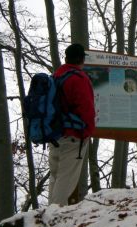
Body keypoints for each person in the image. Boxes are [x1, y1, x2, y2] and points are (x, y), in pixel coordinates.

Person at [48, 43, 96, 206]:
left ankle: (49, 213)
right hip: (73, 136)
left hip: (55, 134)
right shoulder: (79, 78)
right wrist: (88, 131)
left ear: (66, 58)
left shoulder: (57, 75)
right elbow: (87, 108)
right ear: (82, 59)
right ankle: (55, 218)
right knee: (66, 179)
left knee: (55, 176)